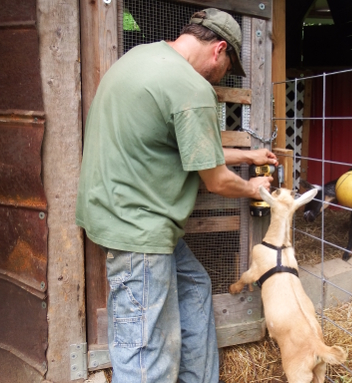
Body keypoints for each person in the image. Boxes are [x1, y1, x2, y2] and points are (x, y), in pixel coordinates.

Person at [76, 8, 277, 383]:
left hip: (114, 208)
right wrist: (253, 188)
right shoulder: (191, 87)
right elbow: (216, 179)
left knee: (195, 285)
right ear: (219, 49)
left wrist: (248, 154)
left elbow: (186, 145)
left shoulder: (142, 57)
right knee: (145, 349)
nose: (221, 80)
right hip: (139, 227)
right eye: (227, 69)